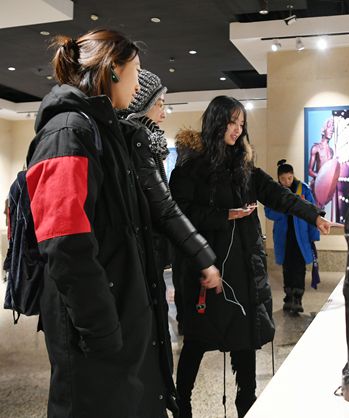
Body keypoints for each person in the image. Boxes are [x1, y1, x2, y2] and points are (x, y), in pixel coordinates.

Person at [24, 29, 177, 418]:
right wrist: (102, 330)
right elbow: (65, 245)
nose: (139, 83)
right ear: (112, 70)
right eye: (136, 70)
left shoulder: (102, 131)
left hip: (119, 320)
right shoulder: (68, 132)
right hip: (95, 333)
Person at [169, 96, 331, 418]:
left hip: (242, 272)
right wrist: (224, 215)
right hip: (208, 271)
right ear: (216, 122)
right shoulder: (191, 168)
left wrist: (314, 215)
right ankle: (181, 404)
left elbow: (278, 194)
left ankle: (247, 403)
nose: (237, 129)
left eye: (241, 124)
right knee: (198, 341)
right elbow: (179, 215)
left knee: (244, 338)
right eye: (232, 122)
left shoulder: (244, 167)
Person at [118, 69, 220, 340]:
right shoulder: (138, 143)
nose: (163, 115)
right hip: (142, 252)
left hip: (148, 250)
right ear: (142, 104)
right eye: (159, 105)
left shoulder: (143, 144)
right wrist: (203, 256)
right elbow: (163, 206)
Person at [264, 159, 320, 314]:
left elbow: (312, 213)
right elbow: (269, 212)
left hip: (301, 237)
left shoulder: (303, 190)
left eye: (289, 178)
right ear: (278, 178)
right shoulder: (274, 192)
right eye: (283, 179)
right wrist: (283, 210)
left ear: (293, 175)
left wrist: (313, 236)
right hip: (284, 237)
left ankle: (298, 298)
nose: (286, 182)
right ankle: (288, 297)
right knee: (287, 267)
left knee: (299, 268)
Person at [307, 117, 335, 186]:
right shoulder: (316, 148)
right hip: (318, 185)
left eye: (333, 128)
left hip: (328, 185)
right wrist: (320, 177)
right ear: (323, 130)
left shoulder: (331, 151)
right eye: (329, 127)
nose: (331, 130)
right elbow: (309, 171)